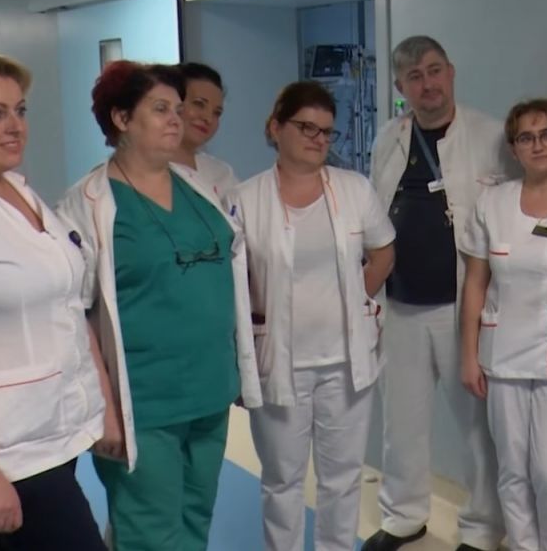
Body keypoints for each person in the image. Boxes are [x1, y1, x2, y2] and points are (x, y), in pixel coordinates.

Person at [57, 60, 263, 551]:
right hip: (143, 403)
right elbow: (73, 316)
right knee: (149, 532)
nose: (178, 119)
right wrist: (103, 408)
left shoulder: (199, 188)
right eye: (160, 109)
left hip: (210, 392)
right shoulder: (87, 204)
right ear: (121, 118)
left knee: (195, 521)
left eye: (178, 108)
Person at [0, 46, 113, 550]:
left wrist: (102, 402)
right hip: (6, 455)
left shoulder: (19, 189)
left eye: (19, 111)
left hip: (54, 434)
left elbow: (68, 303)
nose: (15, 126)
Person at [227, 80, 395, 551]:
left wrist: (356, 301)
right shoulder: (245, 199)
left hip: (345, 363)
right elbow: (235, 283)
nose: (319, 139)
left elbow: (383, 252)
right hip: (279, 364)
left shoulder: (353, 189)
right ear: (275, 128)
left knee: (342, 478)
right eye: (307, 128)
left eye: (326, 131)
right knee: (282, 480)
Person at [362, 35, 509, 551]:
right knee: (400, 424)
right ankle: (403, 516)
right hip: (399, 305)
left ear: (450, 72)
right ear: (400, 87)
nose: (427, 84)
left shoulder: (491, 135)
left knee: (476, 427)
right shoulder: (388, 139)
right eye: (414, 76)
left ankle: (482, 528)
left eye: (433, 70)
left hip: (462, 308)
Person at [458, 99, 547, 551]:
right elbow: (475, 283)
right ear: (513, 149)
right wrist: (468, 355)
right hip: (501, 354)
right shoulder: (492, 203)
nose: (538, 145)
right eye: (526, 138)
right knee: (511, 469)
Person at [175, 62, 237, 200]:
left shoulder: (222, 174)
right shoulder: (147, 169)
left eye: (217, 113)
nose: (208, 118)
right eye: (199, 104)